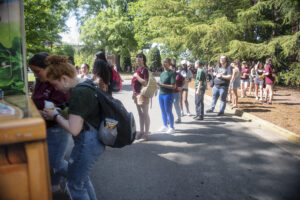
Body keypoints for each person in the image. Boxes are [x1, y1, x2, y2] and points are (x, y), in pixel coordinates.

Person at [42, 55, 106, 200]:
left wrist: (55, 116)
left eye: (54, 84)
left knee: (74, 185)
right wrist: (60, 110)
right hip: (95, 140)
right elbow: (82, 112)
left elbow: (74, 129)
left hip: (87, 143)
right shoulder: (86, 84)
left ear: (64, 79)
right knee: (81, 181)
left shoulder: (78, 92)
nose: (55, 88)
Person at [29, 52, 70, 193]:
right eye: (32, 71)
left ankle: (78, 176)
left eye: (37, 71)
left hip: (57, 129)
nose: (34, 74)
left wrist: (34, 113)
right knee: (51, 160)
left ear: (48, 69)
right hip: (46, 128)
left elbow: (56, 112)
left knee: (56, 162)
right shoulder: (40, 81)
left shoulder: (58, 83)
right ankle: (55, 185)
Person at [131, 53, 150, 141]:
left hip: (142, 94)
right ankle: (141, 132)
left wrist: (136, 76)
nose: (138, 58)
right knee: (140, 114)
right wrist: (133, 93)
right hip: (136, 94)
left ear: (143, 60)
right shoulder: (137, 69)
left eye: (140, 57)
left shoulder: (145, 69)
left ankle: (146, 134)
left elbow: (145, 83)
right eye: (137, 57)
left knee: (145, 114)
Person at [157, 58, 176, 133]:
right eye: (163, 62)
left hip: (168, 95)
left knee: (168, 111)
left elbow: (173, 86)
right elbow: (161, 84)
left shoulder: (171, 73)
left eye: (166, 62)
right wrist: (158, 85)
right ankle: (165, 125)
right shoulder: (162, 73)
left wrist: (162, 85)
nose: (164, 63)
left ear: (169, 64)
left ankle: (172, 127)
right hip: (161, 94)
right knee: (163, 111)